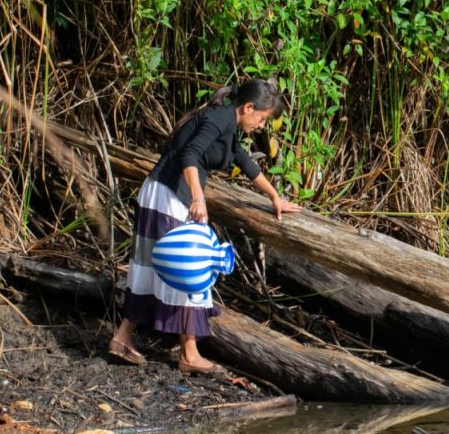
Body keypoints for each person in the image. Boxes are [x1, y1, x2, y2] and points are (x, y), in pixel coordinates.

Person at [106, 78, 302, 373]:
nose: (262, 126)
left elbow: (244, 162)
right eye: (262, 118)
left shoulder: (228, 124)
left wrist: (275, 197)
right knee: (188, 267)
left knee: (154, 267)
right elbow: (190, 154)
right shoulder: (220, 118)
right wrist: (198, 197)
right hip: (170, 196)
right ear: (248, 107)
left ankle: (122, 338)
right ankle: (189, 354)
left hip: (161, 192)